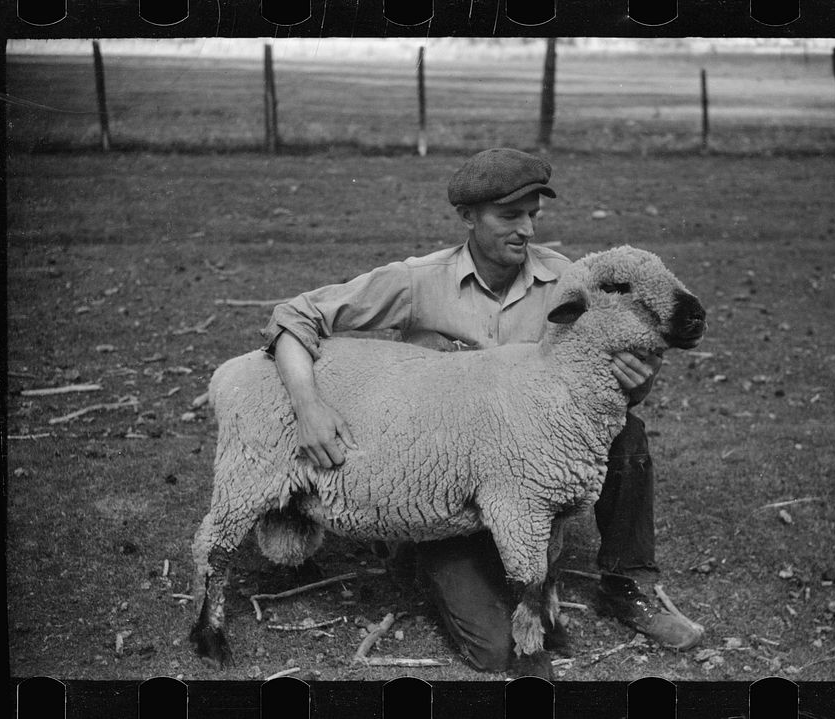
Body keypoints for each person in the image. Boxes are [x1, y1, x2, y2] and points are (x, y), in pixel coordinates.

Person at [259, 147, 703, 676]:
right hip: (438, 478)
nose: (527, 231)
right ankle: (418, 554)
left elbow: (593, 396)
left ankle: (629, 585)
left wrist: (637, 385)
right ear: (468, 218)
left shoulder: (567, 283)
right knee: (495, 649)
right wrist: (308, 408)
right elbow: (295, 316)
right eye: (510, 216)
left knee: (627, 430)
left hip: (518, 475)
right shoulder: (418, 280)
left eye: (534, 215)